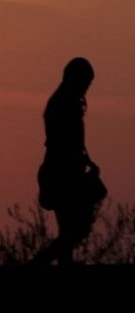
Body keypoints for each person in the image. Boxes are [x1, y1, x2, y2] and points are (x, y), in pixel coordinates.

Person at [30, 58, 105, 267]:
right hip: (62, 173)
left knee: (71, 228)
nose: (86, 88)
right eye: (85, 83)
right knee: (74, 228)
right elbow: (62, 143)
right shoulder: (63, 103)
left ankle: (59, 263)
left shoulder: (63, 101)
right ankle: (40, 263)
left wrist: (85, 161)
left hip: (64, 171)